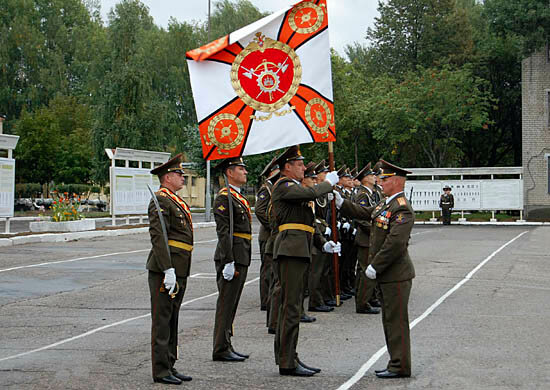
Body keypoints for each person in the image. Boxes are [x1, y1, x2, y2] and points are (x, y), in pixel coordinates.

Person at [333, 159, 415, 379]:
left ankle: (400, 365)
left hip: (395, 274)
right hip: (386, 274)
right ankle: (395, 362)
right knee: (390, 320)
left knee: (396, 321)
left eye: (385, 178)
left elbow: (395, 243)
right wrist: (342, 204)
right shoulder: (385, 204)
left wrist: (374, 266)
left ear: (396, 181)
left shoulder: (402, 208)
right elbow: (365, 212)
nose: (381, 181)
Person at [271, 145, 341, 376]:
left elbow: (307, 222)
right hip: (291, 250)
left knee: (292, 305)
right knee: (291, 307)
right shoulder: (283, 185)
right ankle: (287, 360)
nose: (303, 168)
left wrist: (323, 243)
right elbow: (311, 193)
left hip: (299, 249)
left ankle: (288, 355)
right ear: (287, 167)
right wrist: (328, 183)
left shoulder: (296, 188)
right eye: (299, 164)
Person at [147, 153, 193, 385]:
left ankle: (170, 364)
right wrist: (167, 269)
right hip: (166, 269)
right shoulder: (161, 200)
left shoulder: (174, 200)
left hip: (180, 266)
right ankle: (161, 370)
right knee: (162, 320)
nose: (182, 177)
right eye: (178, 174)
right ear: (167, 177)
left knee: (172, 319)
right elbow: (158, 238)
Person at [212, 157, 252, 362]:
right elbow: (224, 231)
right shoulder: (224, 198)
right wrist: (228, 260)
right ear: (230, 172)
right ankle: (220, 348)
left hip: (241, 255)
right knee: (226, 304)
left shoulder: (237, 197)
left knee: (232, 304)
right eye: (241, 169)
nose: (245, 172)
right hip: (232, 257)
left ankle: (226, 344)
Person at [352, 163, 381, 315]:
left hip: (369, 237)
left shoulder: (369, 193)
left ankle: (368, 298)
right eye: (371, 175)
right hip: (365, 237)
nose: (374, 177)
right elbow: (361, 218)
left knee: (367, 269)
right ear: (364, 179)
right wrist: (375, 231)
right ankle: (362, 303)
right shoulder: (363, 195)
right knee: (365, 270)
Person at [256, 156, 280, 312]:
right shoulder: (266, 189)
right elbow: (259, 210)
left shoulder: (275, 187)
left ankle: (269, 298)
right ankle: (265, 301)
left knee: (273, 269)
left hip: (273, 235)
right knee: (267, 269)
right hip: (267, 235)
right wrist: (272, 226)